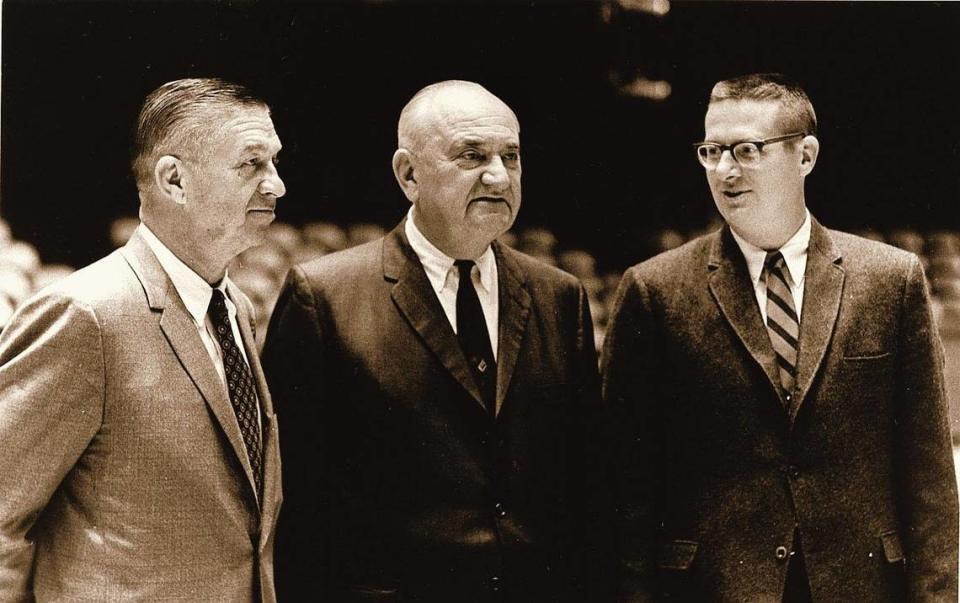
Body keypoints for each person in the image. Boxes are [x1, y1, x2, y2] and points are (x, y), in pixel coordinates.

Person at [601, 73, 958, 601]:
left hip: (858, 587)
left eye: (746, 150)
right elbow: (625, 487)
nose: (724, 170)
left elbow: (928, 475)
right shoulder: (654, 289)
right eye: (711, 151)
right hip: (709, 589)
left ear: (805, 155)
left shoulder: (891, 279)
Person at [262, 80, 603, 602]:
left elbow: (582, 484)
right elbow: (295, 501)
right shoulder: (324, 295)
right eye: (471, 155)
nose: (498, 175)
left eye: (510, 157)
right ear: (408, 174)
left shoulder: (559, 296)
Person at [0, 78, 286, 601]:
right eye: (252, 164)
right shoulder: (85, 313)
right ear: (174, 180)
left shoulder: (234, 307)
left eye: (274, 162)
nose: (278, 185)